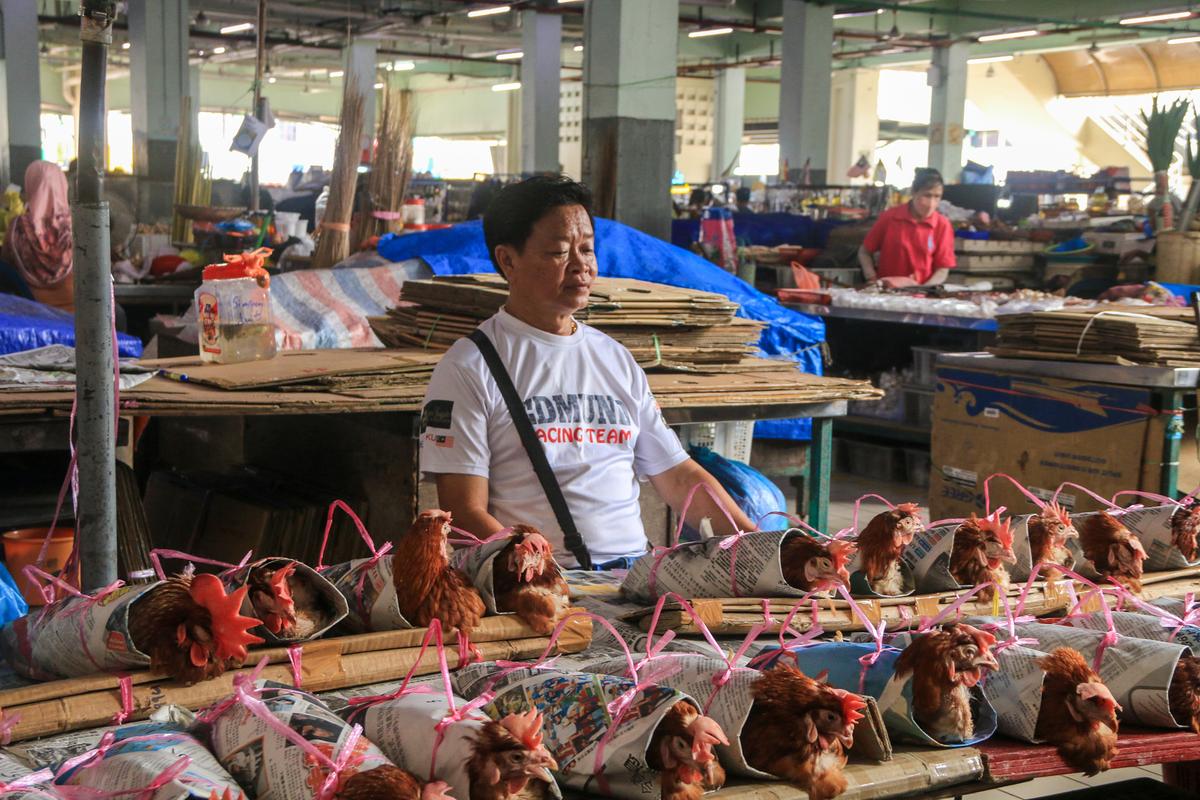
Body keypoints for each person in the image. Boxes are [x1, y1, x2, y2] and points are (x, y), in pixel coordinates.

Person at [419, 175, 754, 569]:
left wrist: (759, 545)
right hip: (543, 584)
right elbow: (462, 515)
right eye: (559, 252)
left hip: (634, 575)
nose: (581, 267)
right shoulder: (469, 367)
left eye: (587, 249)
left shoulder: (614, 358)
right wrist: (542, 581)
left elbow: (679, 477)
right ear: (508, 260)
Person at [858, 168, 955, 288]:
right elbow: (864, 252)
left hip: (922, 298)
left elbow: (942, 269)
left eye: (937, 197)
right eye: (927, 196)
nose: (931, 204)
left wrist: (924, 290)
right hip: (887, 294)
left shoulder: (942, 225)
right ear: (914, 192)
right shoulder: (890, 218)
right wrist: (871, 278)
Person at [3, 161, 74, 311]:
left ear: (32, 186)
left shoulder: (18, 227)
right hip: (79, 313)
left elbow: (6, 268)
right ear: (63, 185)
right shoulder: (78, 227)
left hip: (36, 317)